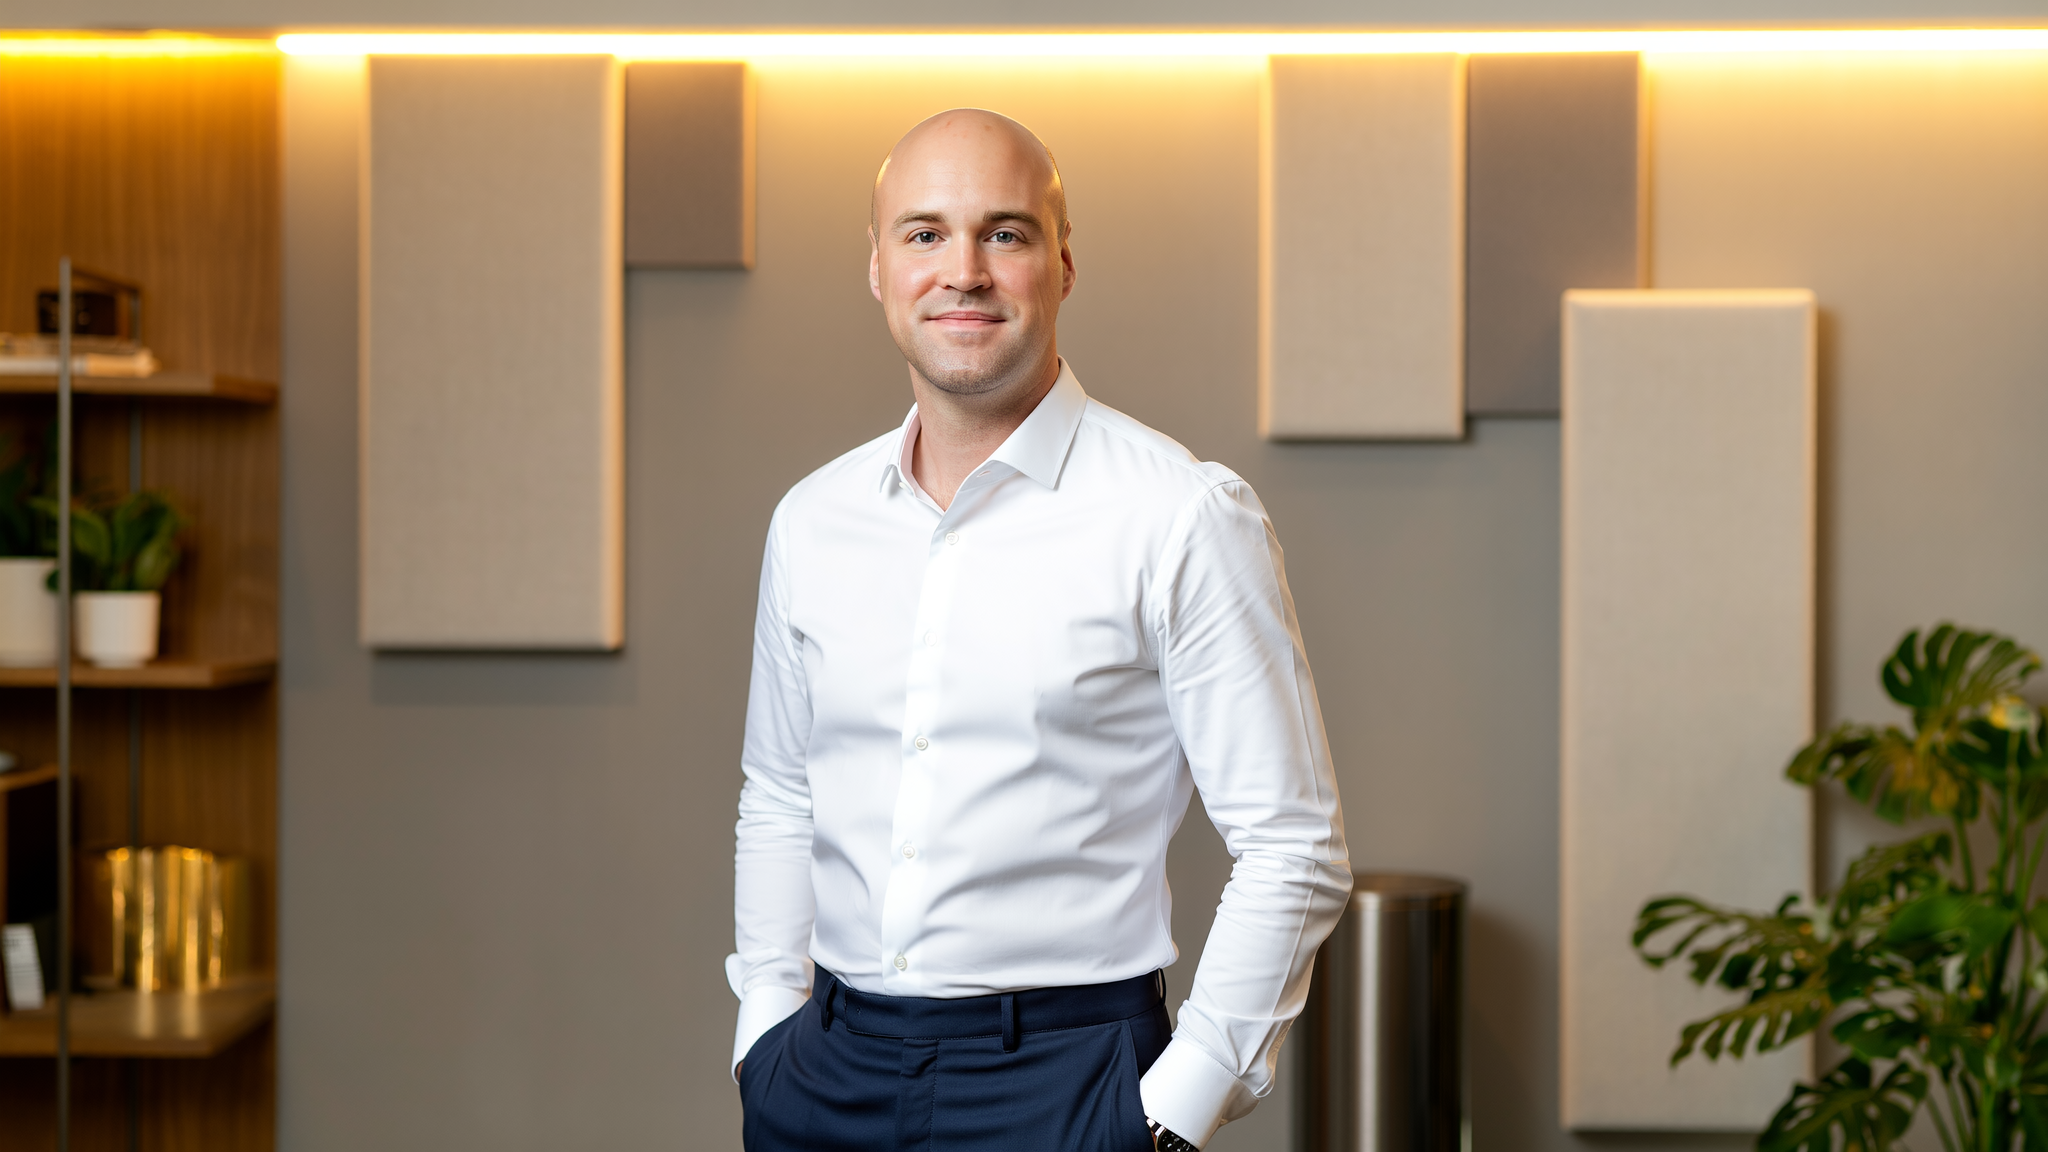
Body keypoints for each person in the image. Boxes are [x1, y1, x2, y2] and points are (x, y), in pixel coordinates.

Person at [728, 107, 1351, 1152]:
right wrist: (764, 1031)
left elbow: (1292, 845)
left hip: (1066, 1082)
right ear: (878, 266)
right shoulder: (812, 520)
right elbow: (782, 794)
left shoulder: (1178, 515)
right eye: (925, 233)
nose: (963, 271)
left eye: (1004, 233)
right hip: (825, 1074)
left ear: (1061, 264)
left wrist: (1171, 1114)